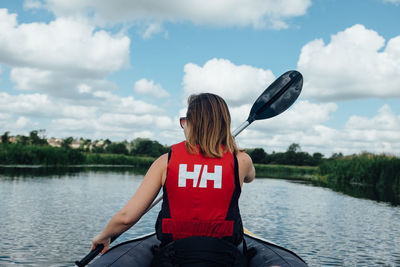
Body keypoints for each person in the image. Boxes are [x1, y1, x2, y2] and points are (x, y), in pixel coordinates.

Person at [91, 93, 255, 265]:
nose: (183, 127)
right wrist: (230, 149)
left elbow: (127, 217)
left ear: (192, 124)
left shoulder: (165, 161)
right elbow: (250, 177)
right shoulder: (242, 161)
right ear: (223, 124)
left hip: (174, 256)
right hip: (225, 257)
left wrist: (104, 236)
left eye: (185, 121)